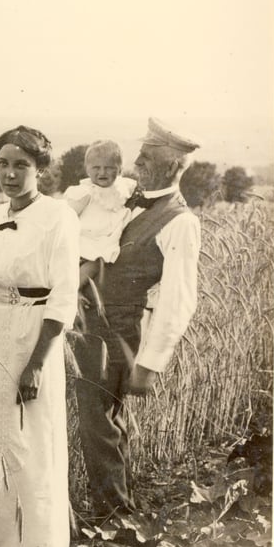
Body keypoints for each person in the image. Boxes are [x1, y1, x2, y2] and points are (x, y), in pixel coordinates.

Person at [0, 126, 79, 547]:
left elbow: (63, 296)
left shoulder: (59, 216)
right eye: (3, 164)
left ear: (40, 170)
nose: (10, 174)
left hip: (34, 335)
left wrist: (36, 363)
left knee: (29, 440)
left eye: (21, 166)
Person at [75, 118, 201, 517]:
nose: (138, 162)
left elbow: (179, 299)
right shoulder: (126, 195)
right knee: (101, 423)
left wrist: (148, 365)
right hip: (84, 322)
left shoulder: (180, 220)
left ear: (174, 167)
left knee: (99, 425)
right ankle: (116, 508)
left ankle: (112, 518)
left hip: (116, 331)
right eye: (141, 154)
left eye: (149, 157)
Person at [63, 140, 137, 310]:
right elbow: (67, 216)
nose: (102, 172)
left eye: (110, 167)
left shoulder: (123, 188)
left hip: (106, 237)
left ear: (120, 169)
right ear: (87, 169)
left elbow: (136, 193)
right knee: (93, 261)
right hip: (87, 238)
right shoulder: (84, 192)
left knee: (101, 260)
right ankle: (73, 291)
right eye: (96, 168)